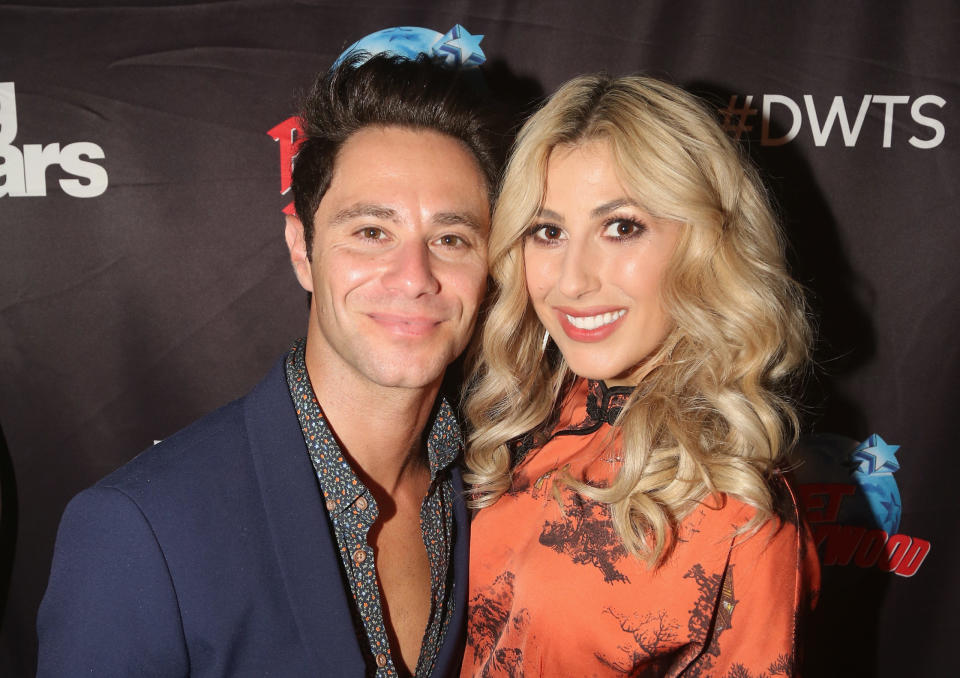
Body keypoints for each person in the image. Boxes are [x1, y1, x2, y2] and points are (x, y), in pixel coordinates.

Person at [37, 53, 498, 677]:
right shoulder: (137, 532)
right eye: (370, 232)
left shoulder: (496, 487)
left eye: (451, 239)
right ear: (301, 251)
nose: (415, 278)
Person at [461, 74, 820, 676]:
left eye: (622, 226)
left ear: (706, 242)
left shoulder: (741, 510)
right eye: (548, 232)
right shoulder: (530, 417)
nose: (571, 280)